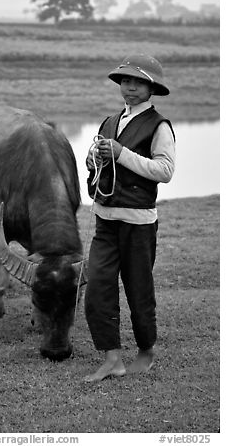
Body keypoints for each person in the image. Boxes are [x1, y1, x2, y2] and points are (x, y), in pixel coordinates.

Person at [84, 53, 175, 382]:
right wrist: (94, 160)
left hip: (138, 223)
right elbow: (98, 167)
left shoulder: (160, 125)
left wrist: (121, 154)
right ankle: (112, 358)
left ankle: (145, 352)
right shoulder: (108, 122)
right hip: (104, 220)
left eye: (138, 82)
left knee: (139, 290)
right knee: (97, 286)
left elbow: (164, 172)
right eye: (125, 81)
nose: (130, 87)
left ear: (152, 88)